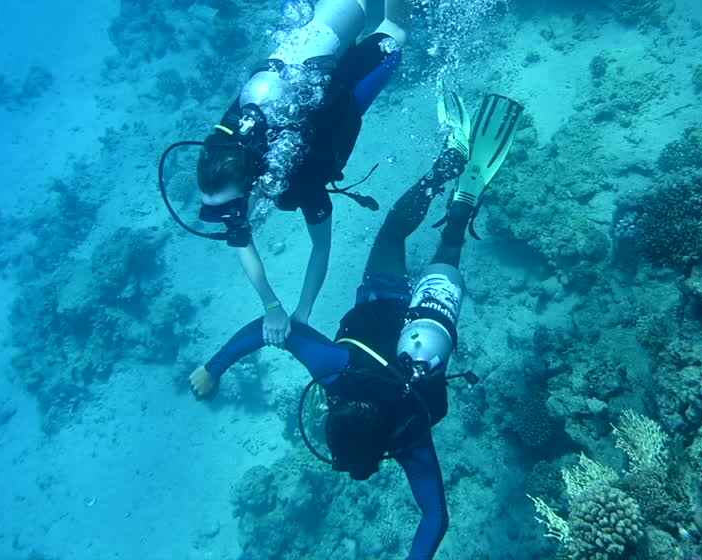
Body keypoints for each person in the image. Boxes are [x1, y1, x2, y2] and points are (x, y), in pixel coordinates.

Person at [190, 93, 525, 560]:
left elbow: (435, 517)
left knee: (444, 253)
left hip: (424, 316)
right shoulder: (335, 372)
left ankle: (460, 209)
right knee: (392, 232)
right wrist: (213, 368)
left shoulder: (409, 434)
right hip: (384, 295)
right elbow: (267, 331)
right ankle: (442, 170)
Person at [193, 0, 476, 347]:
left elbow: (320, 250)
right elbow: (240, 238)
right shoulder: (228, 143)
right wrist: (272, 304)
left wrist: (299, 311)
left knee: (394, 27)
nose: (233, 219)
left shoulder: (294, 182)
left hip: (343, 93)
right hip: (300, 61)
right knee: (349, 2)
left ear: (251, 182)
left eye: (231, 209)